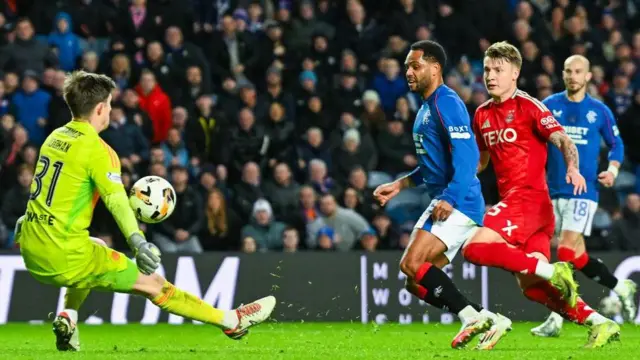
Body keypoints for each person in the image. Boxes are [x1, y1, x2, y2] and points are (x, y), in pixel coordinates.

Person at [14, 71, 275, 352]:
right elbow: (116, 200)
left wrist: (26, 219)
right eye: (111, 104)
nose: (111, 110)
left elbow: (45, 189)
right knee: (155, 285)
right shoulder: (99, 151)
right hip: (64, 256)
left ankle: (69, 316)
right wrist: (137, 241)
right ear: (100, 107)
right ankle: (230, 320)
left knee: (98, 245)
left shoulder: (54, 137)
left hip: (31, 246)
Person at [465, 42, 619, 349]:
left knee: (474, 249)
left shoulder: (529, 106)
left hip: (529, 201)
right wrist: (463, 176)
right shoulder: (481, 114)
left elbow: (563, 141)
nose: (491, 76)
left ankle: (552, 269)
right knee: (533, 288)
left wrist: (573, 169)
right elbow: (482, 160)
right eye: (487, 69)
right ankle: (600, 322)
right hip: (528, 210)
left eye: (499, 70)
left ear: (515, 73)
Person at [373, 40, 509, 350]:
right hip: (447, 197)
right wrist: (400, 185)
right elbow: (432, 166)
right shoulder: (425, 107)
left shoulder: (446, 102)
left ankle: (471, 317)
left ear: (435, 68)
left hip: (458, 201)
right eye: (408, 65)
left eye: (415, 66)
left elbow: (466, 157)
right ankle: (484, 317)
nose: (409, 71)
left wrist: (449, 198)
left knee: (411, 264)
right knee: (415, 279)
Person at [531, 55, 636, 337]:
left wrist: (613, 170)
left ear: (588, 76)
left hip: (583, 190)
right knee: (576, 258)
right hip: (552, 190)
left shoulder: (599, 111)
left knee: (564, 250)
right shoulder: (550, 106)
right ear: (563, 74)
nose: (572, 76)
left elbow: (616, 144)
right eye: (568, 71)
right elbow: (534, 141)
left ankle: (556, 318)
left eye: (578, 71)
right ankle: (620, 286)